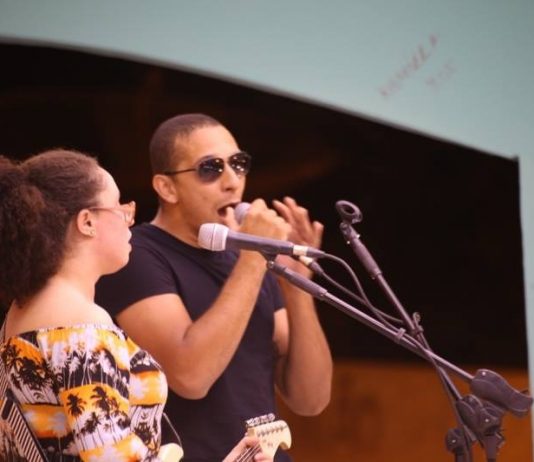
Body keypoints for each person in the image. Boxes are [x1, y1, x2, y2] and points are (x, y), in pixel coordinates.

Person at [0, 149, 270, 462]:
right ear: (87, 221)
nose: (129, 217)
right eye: (119, 206)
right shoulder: (83, 323)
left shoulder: (19, 315)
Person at [96, 113, 333, 462]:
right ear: (167, 187)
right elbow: (191, 377)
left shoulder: (251, 263)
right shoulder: (137, 255)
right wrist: (254, 258)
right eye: (211, 168)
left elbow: (310, 400)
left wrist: (297, 286)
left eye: (238, 164)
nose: (232, 181)